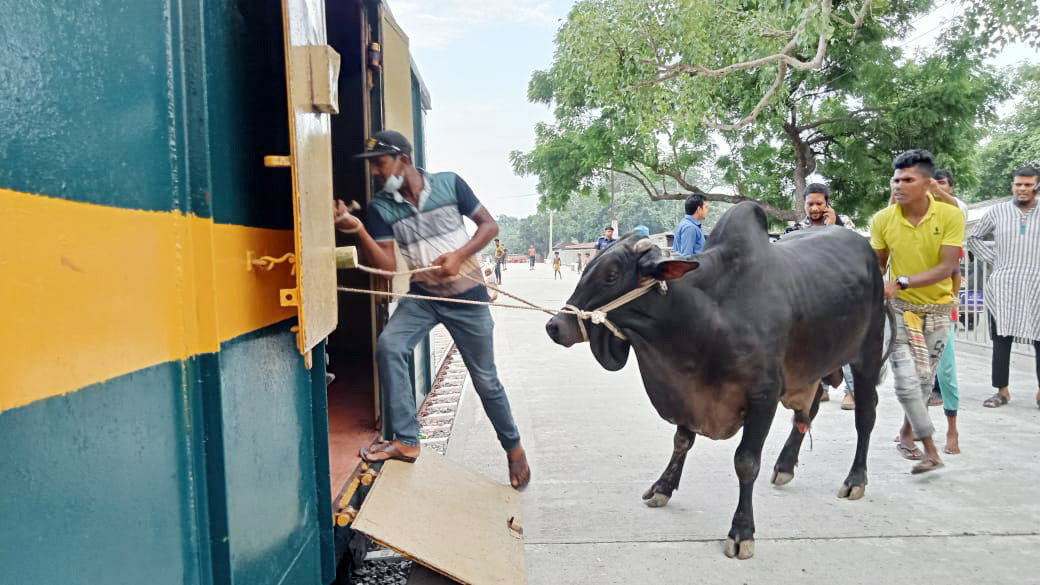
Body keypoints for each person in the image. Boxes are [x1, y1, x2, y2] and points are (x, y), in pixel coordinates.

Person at [332, 130, 530, 490]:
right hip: (422, 296)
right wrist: (358, 229)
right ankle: (407, 441)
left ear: (403, 159)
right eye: (373, 165)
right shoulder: (381, 207)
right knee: (390, 345)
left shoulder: (450, 184)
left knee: (486, 381)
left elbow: (489, 225)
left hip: (467, 297)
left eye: (380, 163)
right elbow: (389, 267)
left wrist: (459, 255)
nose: (375, 171)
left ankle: (513, 448)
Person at [870, 149, 964, 474]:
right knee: (906, 384)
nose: (898, 185)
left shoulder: (950, 216)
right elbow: (877, 265)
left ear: (926, 184)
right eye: (895, 179)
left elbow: (948, 266)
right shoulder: (882, 220)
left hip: (938, 311)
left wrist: (902, 280)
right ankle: (931, 449)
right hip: (900, 311)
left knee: (924, 384)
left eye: (908, 179)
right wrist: (876, 285)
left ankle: (905, 434)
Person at [967, 165, 1040, 410]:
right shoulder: (997, 212)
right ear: (1012, 185)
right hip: (1003, 285)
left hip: (1037, 284)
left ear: (1036, 186)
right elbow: (974, 238)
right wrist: (995, 258)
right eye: (1018, 184)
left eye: (1027, 184)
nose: (1022, 188)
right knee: (1001, 338)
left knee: (1039, 339)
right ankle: (1002, 391)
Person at [791, 183, 857, 408]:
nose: (815, 208)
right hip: (812, 295)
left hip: (840, 293)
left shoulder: (843, 223)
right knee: (817, 344)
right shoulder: (799, 228)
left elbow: (851, 251)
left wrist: (832, 226)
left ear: (828, 203)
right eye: (810, 204)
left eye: (820, 203)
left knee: (845, 343)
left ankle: (852, 391)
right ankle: (822, 388)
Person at [926, 168, 965, 453]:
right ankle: (914, 427)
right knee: (916, 373)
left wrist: (953, 301)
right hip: (911, 308)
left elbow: (955, 272)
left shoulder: (953, 221)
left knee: (946, 371)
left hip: (942, 307)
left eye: (941, 185)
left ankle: (953, 428)